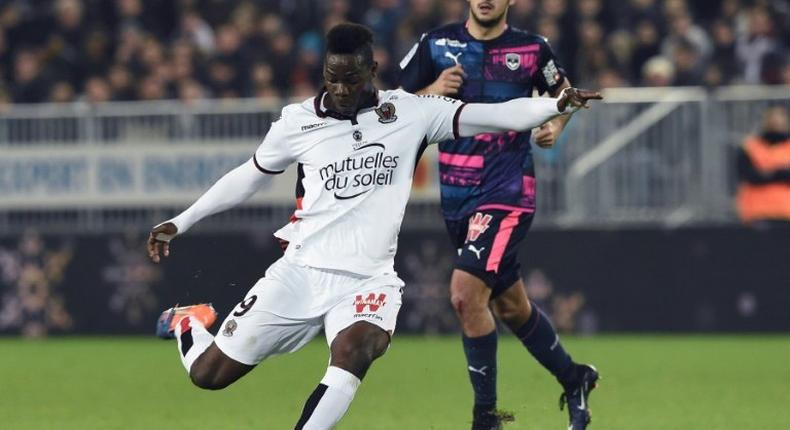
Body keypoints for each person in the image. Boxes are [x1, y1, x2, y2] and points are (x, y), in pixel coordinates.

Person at [147, 23, 601, 430]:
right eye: (332, 77)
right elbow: (247, 178)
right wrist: (181, 221)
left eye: (352, 78)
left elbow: (493, 115)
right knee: (208, 376)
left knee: (355, 350)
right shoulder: (297, 122)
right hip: (300, 271)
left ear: (372, 70)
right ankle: (190, 321)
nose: (341, 89)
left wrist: (553, 105)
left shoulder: (411, 113)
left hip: (368, 279)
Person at [398, 1, 599, 429]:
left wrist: (556, 125)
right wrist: (432, 88)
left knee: (464, 294)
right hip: (455, 196)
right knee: (510, 306)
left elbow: (567, 96)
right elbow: (391, 109)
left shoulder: (531, 49)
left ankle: (485, 417)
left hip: (507, 190)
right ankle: (574, 376)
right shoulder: (435, 45)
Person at [736, 105, 790, 226]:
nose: (776, 122)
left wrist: (769, 173)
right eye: (772, 118)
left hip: (786, 213)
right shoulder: (750, 148)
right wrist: (780, 173)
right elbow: (749, 175)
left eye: (780, 117)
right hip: (757, 214)